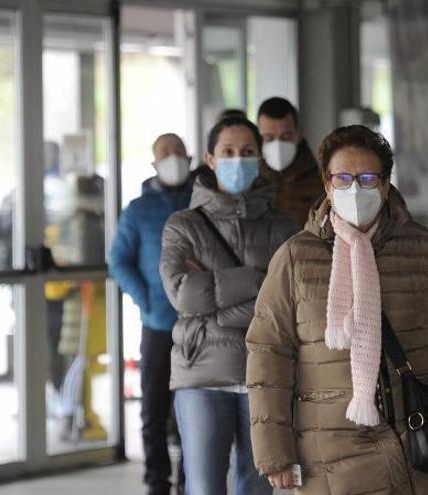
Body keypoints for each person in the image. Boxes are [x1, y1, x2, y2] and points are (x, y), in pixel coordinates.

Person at [246, 125, 428, 494]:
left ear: (386, 184)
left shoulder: (423, 250)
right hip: (332, 452)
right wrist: (274, 451)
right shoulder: (296, 258)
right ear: (327, 185)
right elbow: (269, 355)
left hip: (422, 443)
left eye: (367, 178)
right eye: (342, 178)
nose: (354, 189)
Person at [159, 117, 296, 495]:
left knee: (258, 487)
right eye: (229, 152)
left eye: (248, 152)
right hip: (203, 373)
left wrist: (214, 311)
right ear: (210, 158)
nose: (238, 160)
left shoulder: (283, 227)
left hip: (264, 373)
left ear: (260, 157)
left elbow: (286, 303)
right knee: (203, 486)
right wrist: (255, 280)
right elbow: (183, 295)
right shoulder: (182, 225)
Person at [110, 133, 194, 495]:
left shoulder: (202, 201)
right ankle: (157, 481)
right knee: (154, 409)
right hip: (158, 324)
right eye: (165, 154)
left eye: (178, 152)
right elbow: (118, 260)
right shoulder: (137, 210)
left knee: (194, 410)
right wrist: (144, 299)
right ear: (154, 163)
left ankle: (189, 479)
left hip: (198, 325)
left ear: (190, 159)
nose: (173, 158)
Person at [256, 96, 325, 226]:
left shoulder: (320, 180)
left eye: (285, 137)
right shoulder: (249, 179)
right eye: (269, 138)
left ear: (298, 134)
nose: (277, 145)